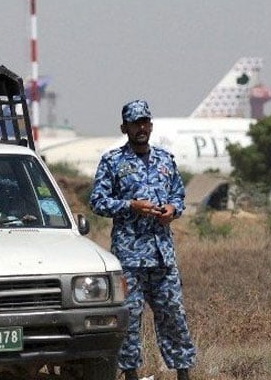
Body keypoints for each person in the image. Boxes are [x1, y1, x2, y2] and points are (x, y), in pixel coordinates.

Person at [89, 99, 196, 380]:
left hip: (162, 256)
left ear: (151, 125)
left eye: (145, 122)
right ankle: (131, 375)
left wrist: (172, 210)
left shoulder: (165, 160)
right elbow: (98, 201)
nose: (141, 128)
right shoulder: (112, 161)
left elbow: (178, 196)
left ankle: (183, 373)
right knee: (130, 319)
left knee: (173, 315)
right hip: (130, 256)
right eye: (135, 123)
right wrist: (130, 206)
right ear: (124, 127)